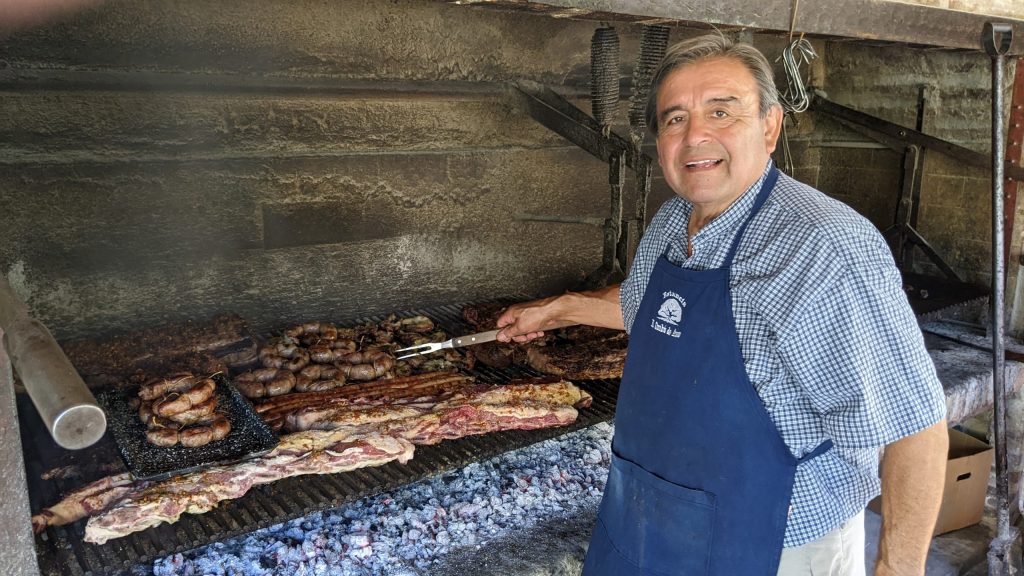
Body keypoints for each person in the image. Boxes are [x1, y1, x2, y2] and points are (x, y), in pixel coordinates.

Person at [496, 34, 948, 576]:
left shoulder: (821, 247)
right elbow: (652, 309)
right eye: (674, 119)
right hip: (646, 516)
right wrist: (560, 309)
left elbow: (914, 428)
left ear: (770, 126)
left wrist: (898, 568)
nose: (695, 136)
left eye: (721, 111)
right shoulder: (671, 221)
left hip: (770, 542)